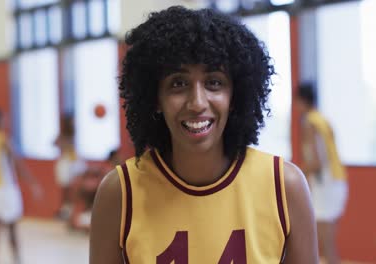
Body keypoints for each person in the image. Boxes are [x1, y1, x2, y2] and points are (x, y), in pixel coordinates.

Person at [90, 6, 318, 263]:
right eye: (178, 83)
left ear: (235, 95)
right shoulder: (119, 193)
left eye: (214, 82)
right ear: (155, 98)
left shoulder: (284, 186)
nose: (197, 102)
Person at [0, 106, 41, 264]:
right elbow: (18, 165)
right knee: (12, 228)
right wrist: (33, 183)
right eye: (1, 117)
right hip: (4, 189)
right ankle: (17, 259)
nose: (4, 119)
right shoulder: (3, 139)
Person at [296, 83, 348, 264]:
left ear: (301, 101)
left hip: (326, 185)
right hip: (336, 181)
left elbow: (315, 163)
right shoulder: (323, 119)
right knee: (328, 244)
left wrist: (293, 173)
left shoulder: (309, 122)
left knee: (326, 245)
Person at [54, 114, 87, 219]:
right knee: (66, 189)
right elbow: (55, 143)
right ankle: (65, 210)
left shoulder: (75, 135)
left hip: (75, 163)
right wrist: (64, 143)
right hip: (66, 163)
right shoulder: (63, 136)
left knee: (76, 188)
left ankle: (73, 210)